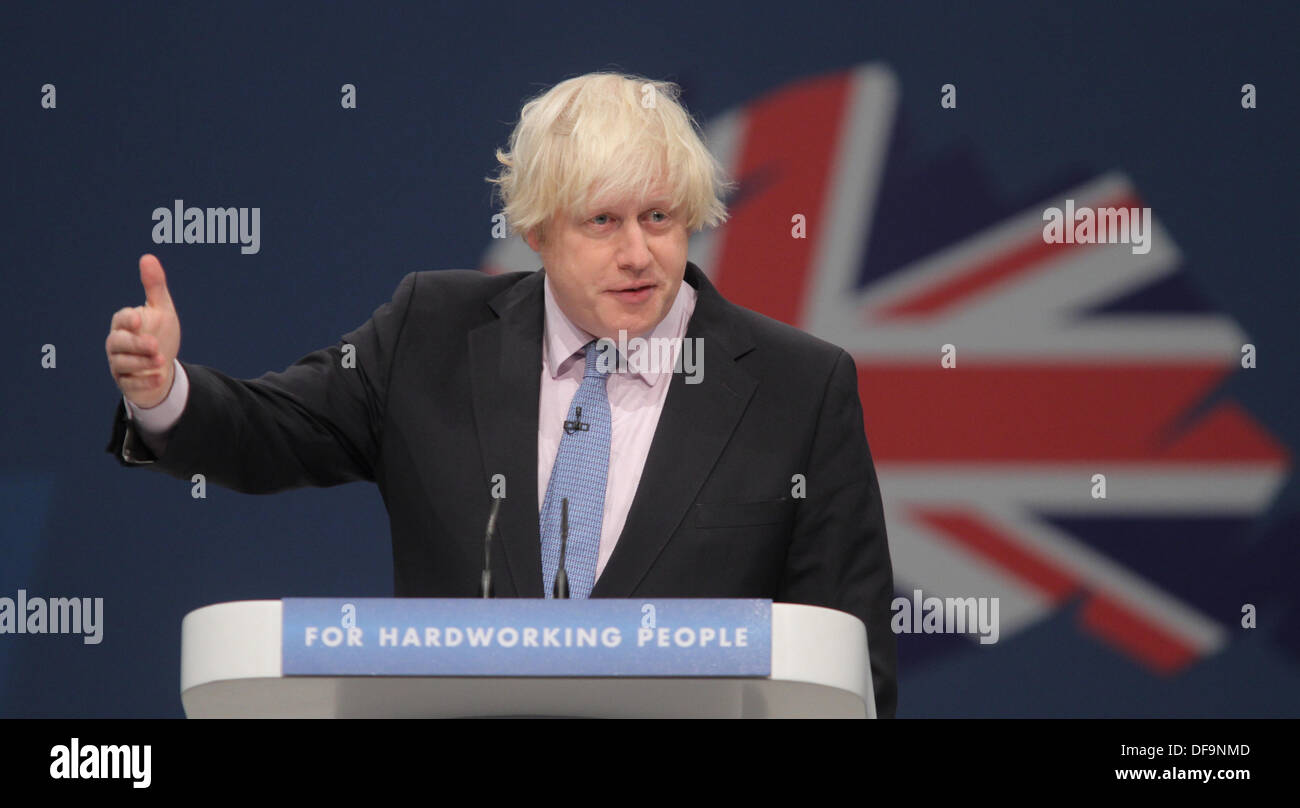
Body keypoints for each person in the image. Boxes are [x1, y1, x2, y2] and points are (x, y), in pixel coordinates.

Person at [104, 72, 898, 717]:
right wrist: (165, 390)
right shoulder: (432, 336)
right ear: (539, 229)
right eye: (602, 221)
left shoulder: (798, 387)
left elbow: (849, 663)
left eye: (659, 217)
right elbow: (272, 430)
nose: (638, 253)